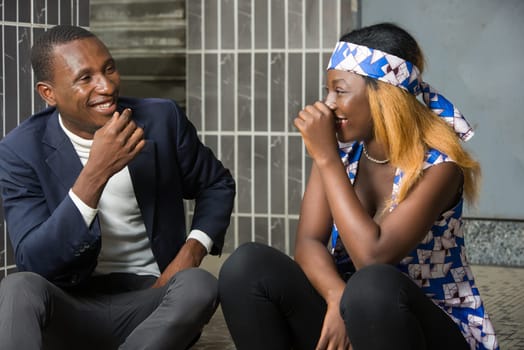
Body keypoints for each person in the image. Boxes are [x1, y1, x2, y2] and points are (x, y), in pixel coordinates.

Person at [218, 22, 498, 350]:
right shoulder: (341, 153)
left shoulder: (440, 166)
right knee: (246, 266)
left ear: (383, 95)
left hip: (428, 328)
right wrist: (337, 297)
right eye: (328, 91)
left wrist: (326, 159)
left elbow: (373, 256)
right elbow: (308, 242)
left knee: (372, 285)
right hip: (356, 315)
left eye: (340, 90)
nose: (328, 104)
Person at [0, 25, 235, 350]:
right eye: (86, 78)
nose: (107, 86)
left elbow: (216, 184)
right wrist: (95, 173)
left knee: (199, 284)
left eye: (109, 68)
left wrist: (189, 254)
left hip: (153, 301)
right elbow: (35, 262)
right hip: (72, 305)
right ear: (48, 93)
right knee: (17, 289)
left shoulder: (160, 119)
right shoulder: (20, 150)